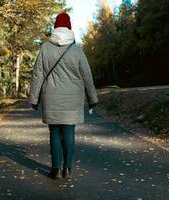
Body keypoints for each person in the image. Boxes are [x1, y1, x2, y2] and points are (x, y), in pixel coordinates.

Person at [29, 13, 98, 179]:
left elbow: (37, 74)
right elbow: (87, 76)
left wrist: (34, 98)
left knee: (54, 132)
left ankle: (55, 168)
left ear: (55, 27)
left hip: (51, 97)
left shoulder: (45, 48)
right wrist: (92, 98)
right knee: (68, 131)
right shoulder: (76, 50)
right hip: (72, 99)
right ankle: (67, 168)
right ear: (69, 27)